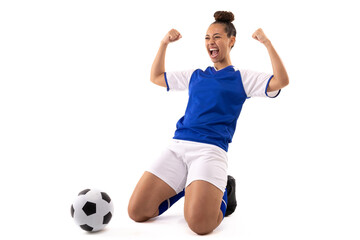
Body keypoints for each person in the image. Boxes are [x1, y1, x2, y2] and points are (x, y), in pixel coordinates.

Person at [128, 11, 289, 235]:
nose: (211, 42)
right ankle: (189, 185)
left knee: (200, 226)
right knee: (137, 212)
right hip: (178, 147)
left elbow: (282, 80)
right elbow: (156, 77)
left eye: (216, 37)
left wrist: (267, 43)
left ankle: (223, 188)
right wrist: (164, 43)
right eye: (206, 38)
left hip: (210, 151)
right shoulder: (196, 75)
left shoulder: (242, 78)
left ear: (231, 41)